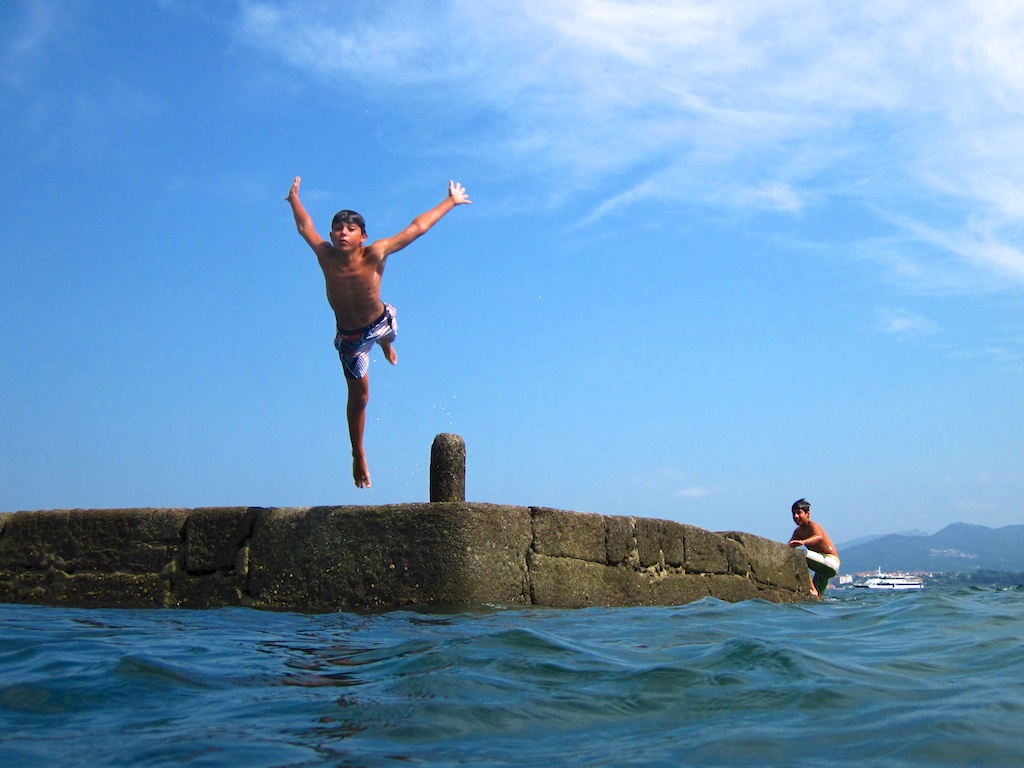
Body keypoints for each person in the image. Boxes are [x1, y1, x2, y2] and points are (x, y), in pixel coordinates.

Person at [285, 176, 471, 488]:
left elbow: (416, 229)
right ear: (332, 234)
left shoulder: (376, 252)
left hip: (380, 322)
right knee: (359, 395)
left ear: (362, 236)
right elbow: (305, 226)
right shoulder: (325, 255)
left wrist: (450, 201)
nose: (343, 232)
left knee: (389, 334)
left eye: (350, 229)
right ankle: (358, 454)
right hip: (351, 339)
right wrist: (294, 200)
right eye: (338, 228)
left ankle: (385, 344)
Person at [787, 498, 840, 598]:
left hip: (830, 561)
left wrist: (803, 542)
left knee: (799, 555)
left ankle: (812, 589)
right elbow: (789, 547)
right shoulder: (798, 532)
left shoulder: (813, 525)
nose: (796, 516)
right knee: (817, 598)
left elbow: (819, 537)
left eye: (799, 513)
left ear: (808, 514)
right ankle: (817, 598)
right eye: (793, 514)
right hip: (821, 570)